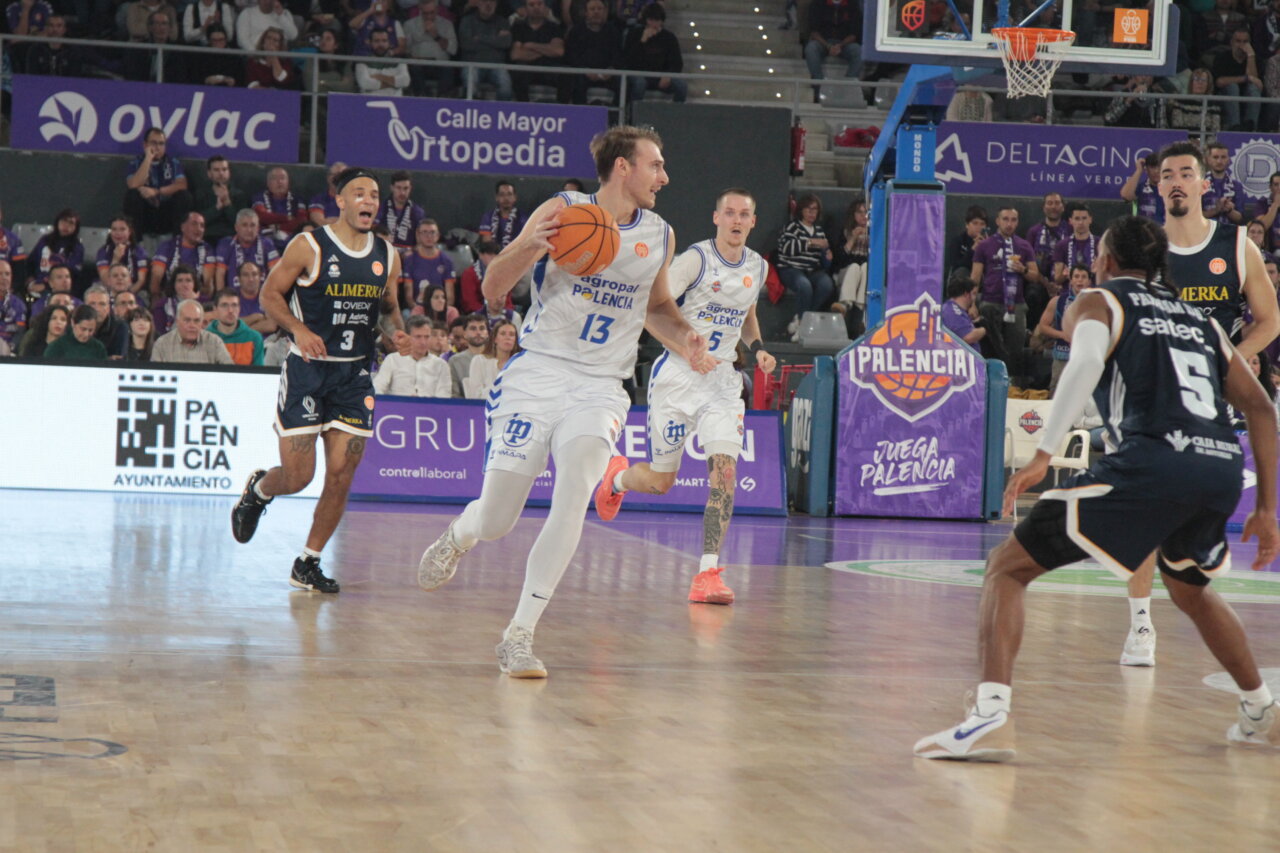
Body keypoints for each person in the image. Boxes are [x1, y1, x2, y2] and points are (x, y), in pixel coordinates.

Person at [914, 215, 1280, 763]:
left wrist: (1043, 453)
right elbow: (1260, 406)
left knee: (1006, 568)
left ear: (1105, 259)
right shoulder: (1200, 322)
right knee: (1190, 590)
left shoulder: (1101, 301)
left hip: (1154, 460)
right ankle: (1261, 710)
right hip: (1221, 468)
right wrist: (1269, 507)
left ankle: (989, 716)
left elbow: (1083, 363)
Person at [415, 125, 715, 679]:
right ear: (622, 168)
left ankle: (519, 635)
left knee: (576, 488)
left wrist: (685, 338)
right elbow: (492, 289)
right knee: (498, 520)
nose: (664, 176)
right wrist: (531, 245)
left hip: (602, 385)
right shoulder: (564, 209)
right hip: (539, 373)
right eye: (655, 164)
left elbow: (657, 308)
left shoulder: (660, 233)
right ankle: (460, 534)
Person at [1117, 141, 1280, 667]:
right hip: (1155, 397)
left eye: (1188, 173)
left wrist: (1233, 358)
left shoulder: (1236, 246)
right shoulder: (1145, 248)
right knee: (1143, 511)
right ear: (1158, 186)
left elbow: (1270, 320)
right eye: (1168, 175)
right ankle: (1140, 624)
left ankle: (1204, 567)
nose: (1179, 181)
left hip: (1215, 399)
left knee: (1197, 514)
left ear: (1204, 183)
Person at [594, 187, 775, 605]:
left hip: (723, 384)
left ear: (752, 222)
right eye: (728, 212)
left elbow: (747, 317)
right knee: (660, 482)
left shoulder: (758, 267)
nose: (735, 220)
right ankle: (617, 478)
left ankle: (707, 572)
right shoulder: (696, 260)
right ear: (716, 218)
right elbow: (650, 306)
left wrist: (760, 346)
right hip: (678, 378)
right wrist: (686, 349)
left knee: (724, 475)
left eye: (743, 214)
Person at [230, 167, 405, 594]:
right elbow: (269, 295)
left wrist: (395, 334)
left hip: (354, 374)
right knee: (299, 477)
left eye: (375, 195)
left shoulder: (388, 254)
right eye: (359, 193)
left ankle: (307, 561)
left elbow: (388, 308)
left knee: (342, 474)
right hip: (308, 371)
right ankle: (260, 488)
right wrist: (298, 330)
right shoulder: (309, 246)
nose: (369, 201)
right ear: (340, 201)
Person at [971, 206, 1040, 387]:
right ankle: (986, 384)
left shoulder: (1024, 245)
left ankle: (1012, 387)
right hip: (990, 303)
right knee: (990, 347)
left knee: (1015, 350)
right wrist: (971, 304)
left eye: (1013, 220)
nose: (1009, 224)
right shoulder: (985, 246)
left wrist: (1023, 269)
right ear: (997, 221)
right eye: (1006, 219)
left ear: (1017, 222)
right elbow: (975, 276)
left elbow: (1035, 275)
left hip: (1016, 304)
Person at [775, 193, 834, 337]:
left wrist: (828, 256)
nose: (812, 213)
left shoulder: (819, 231)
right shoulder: (792, 227)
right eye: (808, 209)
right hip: (790, 268)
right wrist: (810, 242)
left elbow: (824, 263)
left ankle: (801, 320)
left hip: (812, 270)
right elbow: (785, 249)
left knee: (827, 284)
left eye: (815, 210)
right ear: (801, 210)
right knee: (804, 285)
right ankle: (804, 324)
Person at [124, 128, 193, 237]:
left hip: (166, 212)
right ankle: (135, 244)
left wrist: (157, 191)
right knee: (132, 195)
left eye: (161, 144)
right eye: (154, 143)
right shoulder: (135, 163)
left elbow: (182, 185)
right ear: (145, 145)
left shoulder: (173, 163)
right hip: (145, 214)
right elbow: (133, 184)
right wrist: (148, 159)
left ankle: (178, 243)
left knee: (184, 196)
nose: (158, 147)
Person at [1037, 264, 1090, 396]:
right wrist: (1062, 335)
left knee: (1085, 396)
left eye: (1084, 277)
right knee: (1057, 394)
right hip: (1063, 355)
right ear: (1070, 280)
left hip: (1087, 357)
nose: (1080, 280)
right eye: (1076, 276)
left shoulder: (1096, 302)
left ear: (1089, 281)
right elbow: (1043, 326)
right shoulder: (1057, 301)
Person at [621, 3, 685, 103]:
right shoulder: (634, 34)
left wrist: (668, 75)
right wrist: (642, 41)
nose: (654, 24)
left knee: (681, 86)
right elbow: (628, 61)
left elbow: (677, 63)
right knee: (639, 84)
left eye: (657, 20)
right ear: (645, 20)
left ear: (662, 21)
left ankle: (676, 116)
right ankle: (632, 114)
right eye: (651, 20)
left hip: (660, 76)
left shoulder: (669, 37)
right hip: (638, 74)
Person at [375, 315, 453, 396]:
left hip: (429, 407)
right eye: (418, 337)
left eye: (427, 337)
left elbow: (444, 397)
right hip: (397, 406)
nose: (423, 342)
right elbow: (378, 387)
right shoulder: (392, 359)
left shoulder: (441, 365)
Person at [803, 0, 863, 104]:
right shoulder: (817, 4)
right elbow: (814, 32)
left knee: (859, 51)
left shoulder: (852, 5)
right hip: (822, 41)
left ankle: (848, 85)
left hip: (844, 43)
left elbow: (854, 33)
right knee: (811, 49)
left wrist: (841, 45)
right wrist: (828, 46)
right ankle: (819, 86)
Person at [566, 0, 622, 105]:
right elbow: (571, 56)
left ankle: (615, 116)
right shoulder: (576, 31)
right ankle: (580, 115)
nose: (596, 12)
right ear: (586, 12)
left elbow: (618, 55)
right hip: (584, 72)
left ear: (605, 12)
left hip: (608, 73)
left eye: (599, 9)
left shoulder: (613, 31)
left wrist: (611, 69)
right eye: (592, 9)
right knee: (576, 81)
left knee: (623, 83)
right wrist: (584, 69)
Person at [151, 211, 214, 300]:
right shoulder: (167, 246)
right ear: (183, 227)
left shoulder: (207, 249)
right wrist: (156, 298)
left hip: (195, 296)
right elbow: (156, 279)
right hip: (169, 296)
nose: (199, 229)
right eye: (194, 224)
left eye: (202, 226)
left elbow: (208, 283)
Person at [458, 0, 513, 101]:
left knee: (505, 83)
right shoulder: (467, 20)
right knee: (471, 81)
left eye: (492, 2)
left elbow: (506, 43)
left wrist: (479, 38)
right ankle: (471, 112)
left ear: (496, 4)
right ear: (477, 3)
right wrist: (495, 39)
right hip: (473, 64)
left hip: (497, 65)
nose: (488, 5)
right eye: (484, 1)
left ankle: (503, 113)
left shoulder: (503, 21)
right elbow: (466, 45)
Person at [151, 298, 235, 364]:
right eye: (187, 320)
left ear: (201, 322)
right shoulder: (162, 344)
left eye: (196, 321)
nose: (192, 325)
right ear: (177, 321)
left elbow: (229, 373)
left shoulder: (214, 342)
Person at [215, 209, 280, 292]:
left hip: (261, 298)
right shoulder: (226, 244)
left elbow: (275, 274)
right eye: (244, 225)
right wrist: (221, 299)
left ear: (258, 228)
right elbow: (220, 275)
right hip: (234, 300)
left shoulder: (267, 244)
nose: (249, 230)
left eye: (252, 225)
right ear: (236, 227)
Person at [405, 0, 458, 95]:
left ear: (437, 10)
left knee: (448, 69)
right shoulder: (409, 25)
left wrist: (436, 35)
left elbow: (453, 49)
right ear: (420, 10)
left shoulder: (447, 25)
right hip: (418, 64)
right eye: (425, 13)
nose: (429, 16)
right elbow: (405, 49)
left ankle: (442, 100)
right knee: (413, 68)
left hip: (440, 64)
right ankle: (421, 98)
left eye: (431, 13)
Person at [1214, 27, 1262, 131]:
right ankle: (1234, 127)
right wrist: (1246, 78)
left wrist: (1250, 55)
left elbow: (1258, 84)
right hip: (1225, 95)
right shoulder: (1222, 57)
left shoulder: (1255, 58)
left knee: (1253, 89)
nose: (1242, 45)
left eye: (1245, 41)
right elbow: (1219, 82)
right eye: (1238, 41)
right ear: (1231, 42)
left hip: (1247, 95)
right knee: (1232, 87)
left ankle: (1251, 128)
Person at [196, 156, 251, 246]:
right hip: (207, 238)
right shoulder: (200, 194)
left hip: (233, 239)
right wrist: (217, 208)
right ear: (209, 173)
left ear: (229, 172)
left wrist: (227, 203)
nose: (221, 173)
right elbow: (197, 222)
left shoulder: (239, 195)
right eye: (216, 170)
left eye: (224, 169)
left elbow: (242, 224)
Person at [27, 209, 84, 290]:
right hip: (38, 282)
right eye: (64, 221)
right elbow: (31, 262)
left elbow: (73, 274)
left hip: (60, 287)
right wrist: (30, 280)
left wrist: (46, 286)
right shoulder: (45, 240)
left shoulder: (77, 247)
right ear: (57, 222)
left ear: (76, 227)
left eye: (71, 223)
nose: (66, 225)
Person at [402, 221, 455, 307]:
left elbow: (450, 297)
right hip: (417, 308)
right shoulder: (410, 260)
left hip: (439, 307)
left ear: (438, 236)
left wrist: (442, 311)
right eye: (424, 232)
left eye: (432, 232)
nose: (429, 236)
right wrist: (417, 309)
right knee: (406, 314)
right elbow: (409, 296)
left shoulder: (446, 261)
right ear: (418, 236)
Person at [207, 288, 265, 365]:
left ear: (239, 308)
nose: (230, 310)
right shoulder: (205, 337)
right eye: (224, 305)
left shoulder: (254, 338)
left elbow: (259, 373)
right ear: (215, 309)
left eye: (234, 305)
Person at [255, 167, 310, 248]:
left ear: (288, 182)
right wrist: (287, 218)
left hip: (292, 239)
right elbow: (261, 216)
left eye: (282, 178)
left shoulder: (297, 199)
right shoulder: (259, 198)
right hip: (265, 240)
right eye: (274, 179)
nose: (279, 182)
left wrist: (278, 227)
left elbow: (301, 221)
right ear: (268, 183)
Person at [464, 317, 520, 398]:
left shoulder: (519, 364)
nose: (508, 337)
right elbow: (475, 395)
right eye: (503, 334)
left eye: (512, 334)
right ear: (495, 339)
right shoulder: (479, 361)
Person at [1050, 202, 1098, 291]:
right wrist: (1065, 275)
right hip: (1069, 295)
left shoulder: (1100, 244)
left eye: (1084, 218)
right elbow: (1057, 279)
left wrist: (1098, 272)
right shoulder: (1061, 245)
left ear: (1090, 219)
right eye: (1077, 218)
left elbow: (1109, 276)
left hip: (1094, 295)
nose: (1081, 222)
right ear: (1070, 221)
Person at [96, 216, 150, 294]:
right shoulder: (103, 251)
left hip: (133, 291)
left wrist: (126, 296)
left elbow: (141, 281)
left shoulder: (139, 251)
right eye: (114, 229)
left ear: (129, 231)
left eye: (122, 229)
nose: (118, 233)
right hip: (108, 291)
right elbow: (106, 282)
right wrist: (115, 259)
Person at [1024, 192, 1068, 286]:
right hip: (1040, 283)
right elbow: (1028, 261)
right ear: (1044, 208)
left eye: (1057, 203)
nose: (1053, 207)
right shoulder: (1033, 232)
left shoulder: (1071, 230)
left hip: (1067, 282)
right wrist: (1046, 284)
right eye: (1049, 203)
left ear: (1063, 207)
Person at [378, 172, 426, 254]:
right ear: (392, 188)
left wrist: (413, 253)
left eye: (405, 188)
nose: (402, 193)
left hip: (409, 257)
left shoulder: (418, 212)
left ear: (410, 188)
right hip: (383, 253)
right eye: (398, 188)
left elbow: (422, 241)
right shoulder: (380, 209)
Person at [355, 28, 411, 95]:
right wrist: (394, 83)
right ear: (369, 43)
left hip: (395, 102)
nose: (380, 44)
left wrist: (380, 77)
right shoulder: (362, 62)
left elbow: (405, 81)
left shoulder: (399, 62)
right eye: (376, 41)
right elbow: (365, 83)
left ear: (389, 43)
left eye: (384, 41)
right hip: (368, 102)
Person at [447, 312, 489, 397]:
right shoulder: (455, 361)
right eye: (473, 329)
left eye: (482, 328)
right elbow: (454, 395)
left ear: (487, 333)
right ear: (465, 334)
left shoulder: (497, 358)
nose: (478, 332)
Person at [151, 264, 202, 335]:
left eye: (188, 280)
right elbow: (159, 332)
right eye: (180, 281)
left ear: (194, 283)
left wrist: (193, 301)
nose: (184, 284)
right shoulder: (162, 305)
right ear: (173, 284)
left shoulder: (205, 302)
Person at [1203, 141, 1245, 227]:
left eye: (1223, 157)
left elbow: (1240, 219)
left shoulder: (1236, 186)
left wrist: (1229, 210)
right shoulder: (1199, 185)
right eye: (1215, 157)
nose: (1219, 161)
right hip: (1204, 234)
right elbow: (1193, 216)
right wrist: (1216, 210)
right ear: (1208, 159)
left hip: (1228, 235)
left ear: (1228, 160)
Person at [940, 274, 986, 349]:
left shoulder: (952, 309)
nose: (974, 298)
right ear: (966, 294)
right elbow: (967, 337)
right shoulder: (954, 311)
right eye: (974, 294)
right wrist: (984, 329)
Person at [1120, 153, 1165, 225]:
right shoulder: (1141, 187)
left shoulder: (1171, 188)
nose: (1156, 171)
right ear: (1146, 169)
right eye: (1153, 167)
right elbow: (1126, 196)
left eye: (1159, 167)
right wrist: (1139, 171)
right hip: (1143, 231)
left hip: (1166, 232)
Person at [84, 285, 128, 357]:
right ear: (84, 306)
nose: (97, 309)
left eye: (102, 304)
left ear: (108, 308)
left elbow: (117, 359)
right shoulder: (76, 326)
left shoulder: (120, 327)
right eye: (92, 304)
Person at [478, 181, 526, 248]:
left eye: (509, 194)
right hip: (494, 256)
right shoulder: (488, 217)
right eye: (502, 194)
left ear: (515, 197)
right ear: (496, 198)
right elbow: (487, 244)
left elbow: (525, 243)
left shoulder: (523, 218)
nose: (506, 198)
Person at [234, 260, 276, 335]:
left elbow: (271, 325)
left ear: (260, 277)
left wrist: (243, 331)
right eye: (245, 275)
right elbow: (231, 325)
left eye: (254, 274)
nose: (251, 279)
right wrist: (255, 317)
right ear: (239, 279)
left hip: (266, 344)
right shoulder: (232, 298)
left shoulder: (268, 296)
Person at [946, 205, 987, 278]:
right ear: (967, 225)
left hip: (983, 279)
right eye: (975, 223)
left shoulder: (989, 242)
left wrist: (988, 248)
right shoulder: (958, 241)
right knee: (961, 272)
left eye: (982, 224)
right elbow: (956, 266)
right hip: (963, 279)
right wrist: (973, 250)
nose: (979, 227)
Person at [309, 162, 348, 229]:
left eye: (342, 175)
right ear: (328, 178)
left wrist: (330, 221)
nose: (338, 179)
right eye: (335, 175)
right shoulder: (318, 200)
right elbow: (319, 222)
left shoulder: (356, 200)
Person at [0, 259, 26, 351]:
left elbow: (20, 331)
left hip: (8, 351)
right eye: (0, 274)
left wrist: (11, 347)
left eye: (7, 274)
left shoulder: (19, 304)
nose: (4, 278)